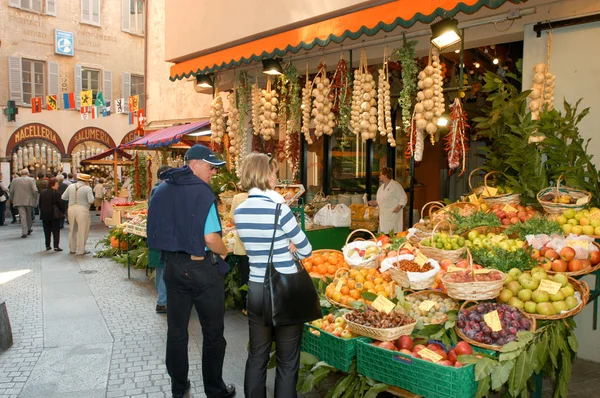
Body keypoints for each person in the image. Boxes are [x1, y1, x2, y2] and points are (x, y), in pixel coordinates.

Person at [147, 145, 236, 398]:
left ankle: (179, 387)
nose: (212, 173)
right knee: (213, 333)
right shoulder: (201, 193)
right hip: (201, 269)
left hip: (173, 268)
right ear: (194, 164)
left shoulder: (162, 188)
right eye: (210, 167)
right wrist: (223, 251)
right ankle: (215, 390)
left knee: (176, 331)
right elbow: (210, 237)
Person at [234, 152, 312, 398]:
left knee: (257, 354)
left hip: (256, 288)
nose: (276, 177)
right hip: (284, 289)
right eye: (274, 172)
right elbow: (307, 249)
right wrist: (293, 252)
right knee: (287, 360)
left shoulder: (240, 211)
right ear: (265, 175)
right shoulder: (280, 209)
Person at [148, 166, 170, 314]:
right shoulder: (161, 190)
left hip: (156, 236)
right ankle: (162, 301)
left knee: (160, 268)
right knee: (164, 268)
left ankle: (161, 299)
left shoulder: (155, 189)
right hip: (163, 236)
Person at [61, 173, 94, 255]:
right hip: (82, 209)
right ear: (86, 181)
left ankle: (72, 248)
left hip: (71, 208)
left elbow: (63, 197)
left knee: (72, 229)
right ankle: (81, 250)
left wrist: (72, 198)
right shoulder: (87, 188)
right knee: (82, 229)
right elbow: (91, 200)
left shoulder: (71, 186)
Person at [368, 167, 408, 234]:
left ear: (385, 175)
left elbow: (403, 197)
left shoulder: (395, 186)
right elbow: (382, 201)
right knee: (383, 234)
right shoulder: (381, 188)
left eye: (381, 175)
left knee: (392, 235)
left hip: (392, 216)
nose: (379, 176)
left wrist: (399, 207)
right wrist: (373, 203)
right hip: (383, 217)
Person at [229, 188, 249, 315]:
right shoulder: (266, 195)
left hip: (243, 243)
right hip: (260, 245)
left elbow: (232, 220)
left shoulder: (238, 198)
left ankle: (246, 307)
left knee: (245, 276)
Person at [39, 178, 66, 251]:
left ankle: (47, 245)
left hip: (45, 214)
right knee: (56, 231)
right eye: (57, 184)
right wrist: (63, 211)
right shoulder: (56, 192)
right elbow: (60, 203)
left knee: (46, 230)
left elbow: (40, 203)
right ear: (53, 184)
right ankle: (56, 246)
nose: (58, 185)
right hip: (54, 214)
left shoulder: (43, 192)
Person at [9, 169, 37, 238]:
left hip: (19, 200)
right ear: (27, 173)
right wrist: (35, 198)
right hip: (29, 200)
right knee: (29, 215)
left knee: (22, 216)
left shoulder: (14, 180)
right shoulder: (31, 180)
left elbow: (11, 191)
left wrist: (12, 199)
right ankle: (29, 228)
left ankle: (24, 232)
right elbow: (35, 190)